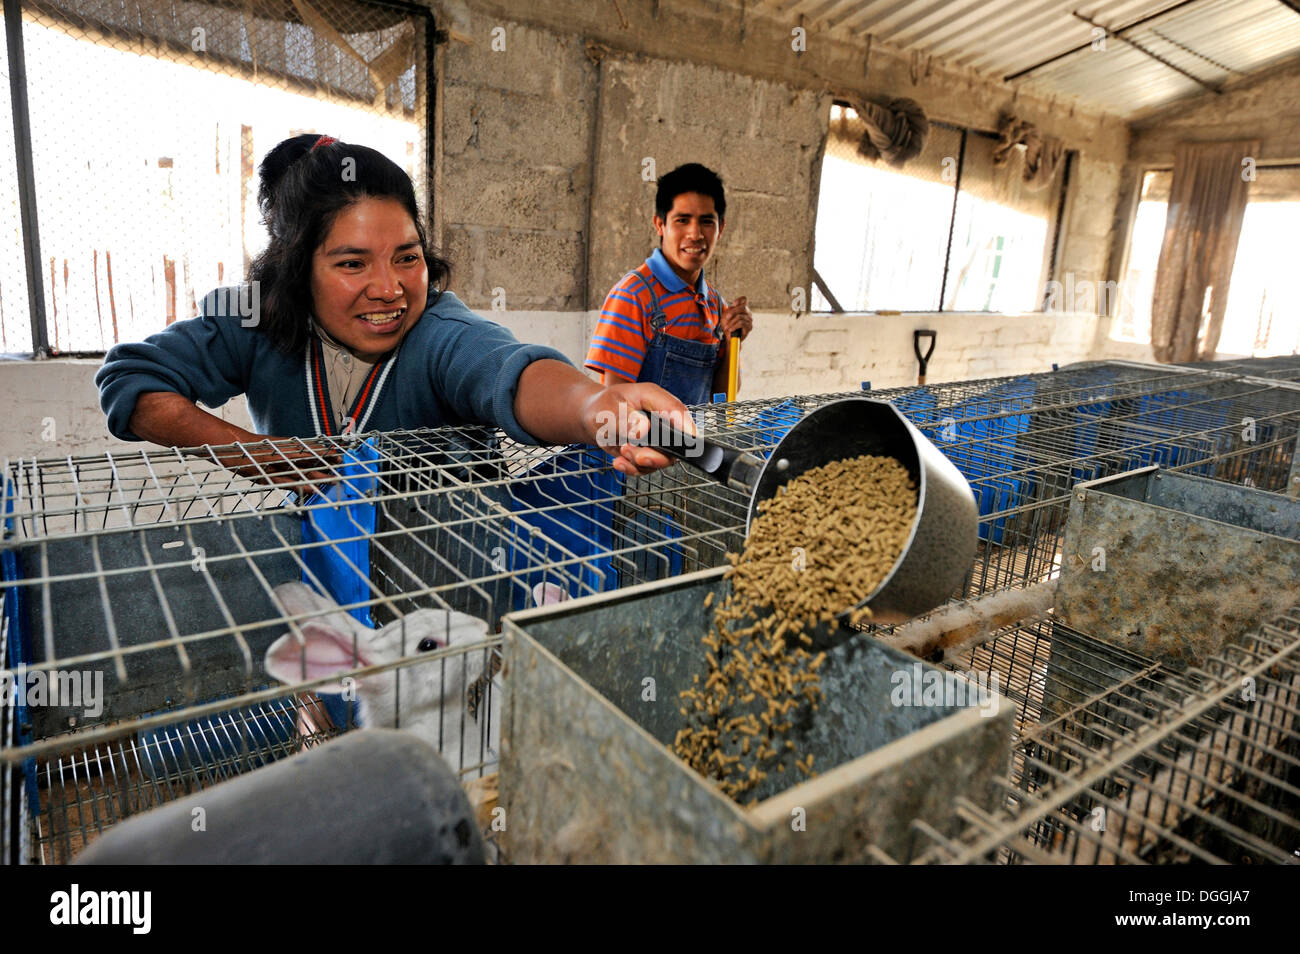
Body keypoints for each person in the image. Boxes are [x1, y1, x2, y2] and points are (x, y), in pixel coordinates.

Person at [96, 134, 690, 488]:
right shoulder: (252, 319)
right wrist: (259, 456)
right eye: (352, 264)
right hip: (328, 577)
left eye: (407, 257)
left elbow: (508, 372)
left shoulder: (438, 331)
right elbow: (131, 383)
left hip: (455, 589)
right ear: (296, 268)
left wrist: (594, 404)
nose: (390, 289)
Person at [584, 163, 754, 407]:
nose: (695, 234)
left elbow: (721, 400)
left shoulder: (716, 305)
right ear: (660, 225)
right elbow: (616, 402)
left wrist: (731, 341)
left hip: (691, 442)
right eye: (682, 220)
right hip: (638, 442)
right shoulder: (634, 296)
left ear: (721, 229)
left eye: (707, 222)